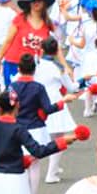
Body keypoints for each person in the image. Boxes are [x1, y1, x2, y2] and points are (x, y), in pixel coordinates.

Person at [0, 0, 59, 88]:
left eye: (39, 0)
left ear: (44, 3)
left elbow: (55, 47)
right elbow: (8, 41)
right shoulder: (20, 18)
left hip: (33, 67)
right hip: (14, 63)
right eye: (33, 1)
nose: (36, 3)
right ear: (29, 4)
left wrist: (66, 67)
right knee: (13, 98)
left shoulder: (47, 24)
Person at [35, 37, 79, 184]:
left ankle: (52, 168)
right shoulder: (57, 68)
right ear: (56, 51)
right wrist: (82, 81)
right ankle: (51, 173)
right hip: (55, 100)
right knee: (58, 138)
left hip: (37, 100)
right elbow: (72, 88)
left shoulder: (35, 63)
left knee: (42, 135)